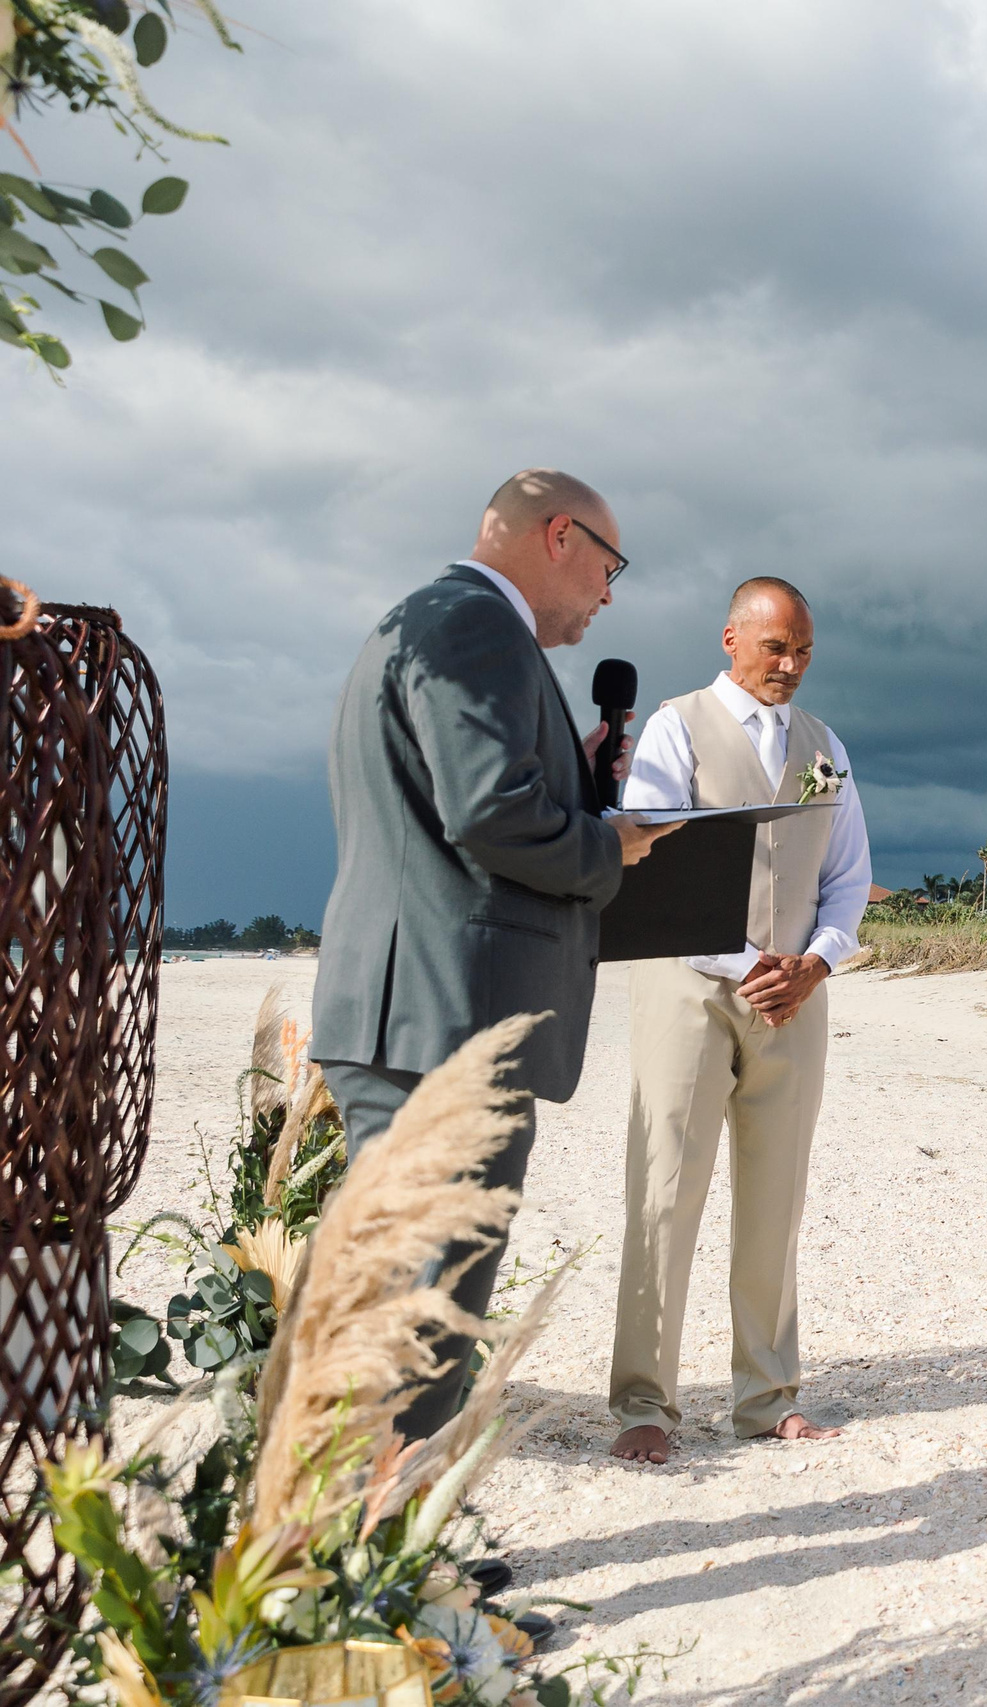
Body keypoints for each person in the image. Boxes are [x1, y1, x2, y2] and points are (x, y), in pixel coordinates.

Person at [312, 470, 677, 1439]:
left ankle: (381, 1545)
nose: (610, 593)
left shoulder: (431, 622)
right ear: (560, 536)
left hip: (419, 1011)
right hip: (440, 1019)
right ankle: (387, 1559)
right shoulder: (476, 629)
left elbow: (467, 802)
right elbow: (487, 811)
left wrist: (581, 781)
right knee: (420, 1304)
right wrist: (614, 844)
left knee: (406, 1289)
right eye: (611, 566)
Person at [606, 577, 873, 1464]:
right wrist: (744, 962)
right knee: (664, 1193)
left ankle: (766, 1396)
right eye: (774, 649)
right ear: (731, 638)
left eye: (802, 651)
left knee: (776, 1199)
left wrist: (816, 961)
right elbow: (647, 858)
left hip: (794, 996)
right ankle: (645, 1400)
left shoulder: (825, 746)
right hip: (687, 986)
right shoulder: (678, 728)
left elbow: (846, 874)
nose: (789, 666)